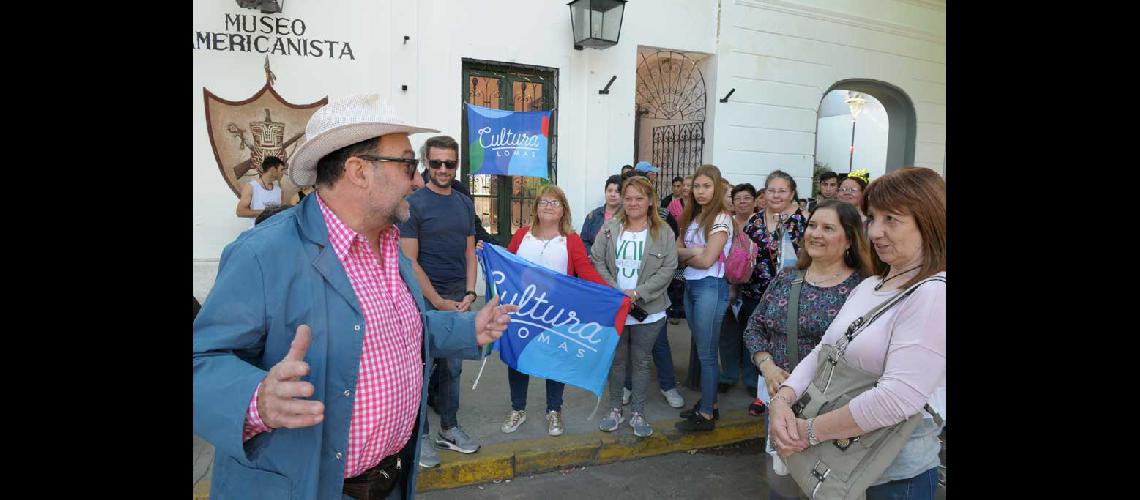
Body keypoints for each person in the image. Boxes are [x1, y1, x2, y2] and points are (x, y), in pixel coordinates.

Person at [193, 94, 518, 500]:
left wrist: (470, 326)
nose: (417, 179)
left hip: (392, 484)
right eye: (407, 163)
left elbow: (394, 333)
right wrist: (254, 400)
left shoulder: (390, 248)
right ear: (358, 171)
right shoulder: (263, 254)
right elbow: (201, 362)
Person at [769, 167, 946, 500]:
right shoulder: (870, 285)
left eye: (891, 219)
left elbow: (897, 399)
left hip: (889, 477)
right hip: (833, 461)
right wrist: (784, 399)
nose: (876, 232)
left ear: (929, 220)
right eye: (872, 218)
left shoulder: (933, 293)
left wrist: (806, 432)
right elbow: (825, 350)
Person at [744, 199, 873, 499]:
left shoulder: (864, 289)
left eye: (828, 228)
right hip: (783, 404)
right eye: (813, 225)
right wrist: (768, 367)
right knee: (783, 486)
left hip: (834, 412)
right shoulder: (787, 279)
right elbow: (754, 328)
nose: (815, 233)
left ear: (849, 240)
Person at [496, 185, 610, 437]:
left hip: (556, 313)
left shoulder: (571, 240)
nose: (549, 206)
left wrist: (613, 293)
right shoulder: (522, 235)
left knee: (555, 360)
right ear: (536, 208)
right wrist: (490, 254)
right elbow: (507, 265)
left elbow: (586, 272)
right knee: (518, 360)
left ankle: (554, 410)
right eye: (544, 202)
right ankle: (518, 409)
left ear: (563, 211)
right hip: (522, 311)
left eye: (555, 203)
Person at [396, 135, 481, 468]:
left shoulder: (464, 203)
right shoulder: (414, 206)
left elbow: (469, 251)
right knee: (421, 372)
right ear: (426, 164)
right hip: (425, 303)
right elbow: (411, 262)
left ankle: (449, 428)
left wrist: (470, 293)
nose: (443, 169)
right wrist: (437, 301)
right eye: (436, 163)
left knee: (453, 368)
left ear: (456, 164)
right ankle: (421, 438)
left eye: (449, 163)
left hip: (459, 299)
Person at [591, 176, 679, 438]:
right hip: (615, 308)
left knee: (640, 363)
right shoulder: (610, 228)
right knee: (616, 362)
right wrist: (618, 293)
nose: (633, 203)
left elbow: (669, 268)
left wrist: (638, 293)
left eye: (639, 198)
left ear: (650, 200)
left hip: (648, 310)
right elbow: (596, 260)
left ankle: (638, 413)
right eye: (628, 198)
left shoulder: (663, 232)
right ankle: (614, 409)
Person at [739, 171, 807, 412]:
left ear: (792, 194)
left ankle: (783, 391)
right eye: (771, 190)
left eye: (782, 190)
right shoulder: (754, 221)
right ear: (764, 193)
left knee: (781, 344)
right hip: (755, 292)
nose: (776, 195)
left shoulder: (803, 221)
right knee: (758, 341)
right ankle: (760, 391)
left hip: (790, 295)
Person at [674, 164, 733, 432]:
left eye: (706, 186)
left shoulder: (721, 218)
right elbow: (675, 250)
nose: (700, 191)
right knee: (701, 348)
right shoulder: (693, 217)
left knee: (707, 354)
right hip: (692, 286)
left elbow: (709, 259)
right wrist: (692, 252)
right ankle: (710, 403)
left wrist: (689, 254)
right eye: (696, 186)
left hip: (711, 287)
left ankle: (707, 413)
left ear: (717, 187)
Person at [717, 183, 760, 400]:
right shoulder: (726, 223)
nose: (742, 202)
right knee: (728, 333)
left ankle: (751, 379)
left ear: (755, 200)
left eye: (747, 198)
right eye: (738, 198)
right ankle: (729, 375)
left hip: (755, 287)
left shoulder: (760, 224)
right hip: (726, 285)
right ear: (732, 202)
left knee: (751, 334)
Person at [236, 156, 286, 228]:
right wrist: (267, 213)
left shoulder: (279, 191)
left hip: (275, 234)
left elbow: (282, 215)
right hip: (257, 234)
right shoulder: (251, 187)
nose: (283, 173)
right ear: (272, 170)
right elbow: (240, 212)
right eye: (281, 170)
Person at [581, 175, 623, 254]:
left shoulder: (626, 217)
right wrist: (595, 254)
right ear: (605, 192)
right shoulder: (593, 215)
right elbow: (583, 241)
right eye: (609, 191)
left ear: (622, 195)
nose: (612, 194)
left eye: (617, 192)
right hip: (594, 261)